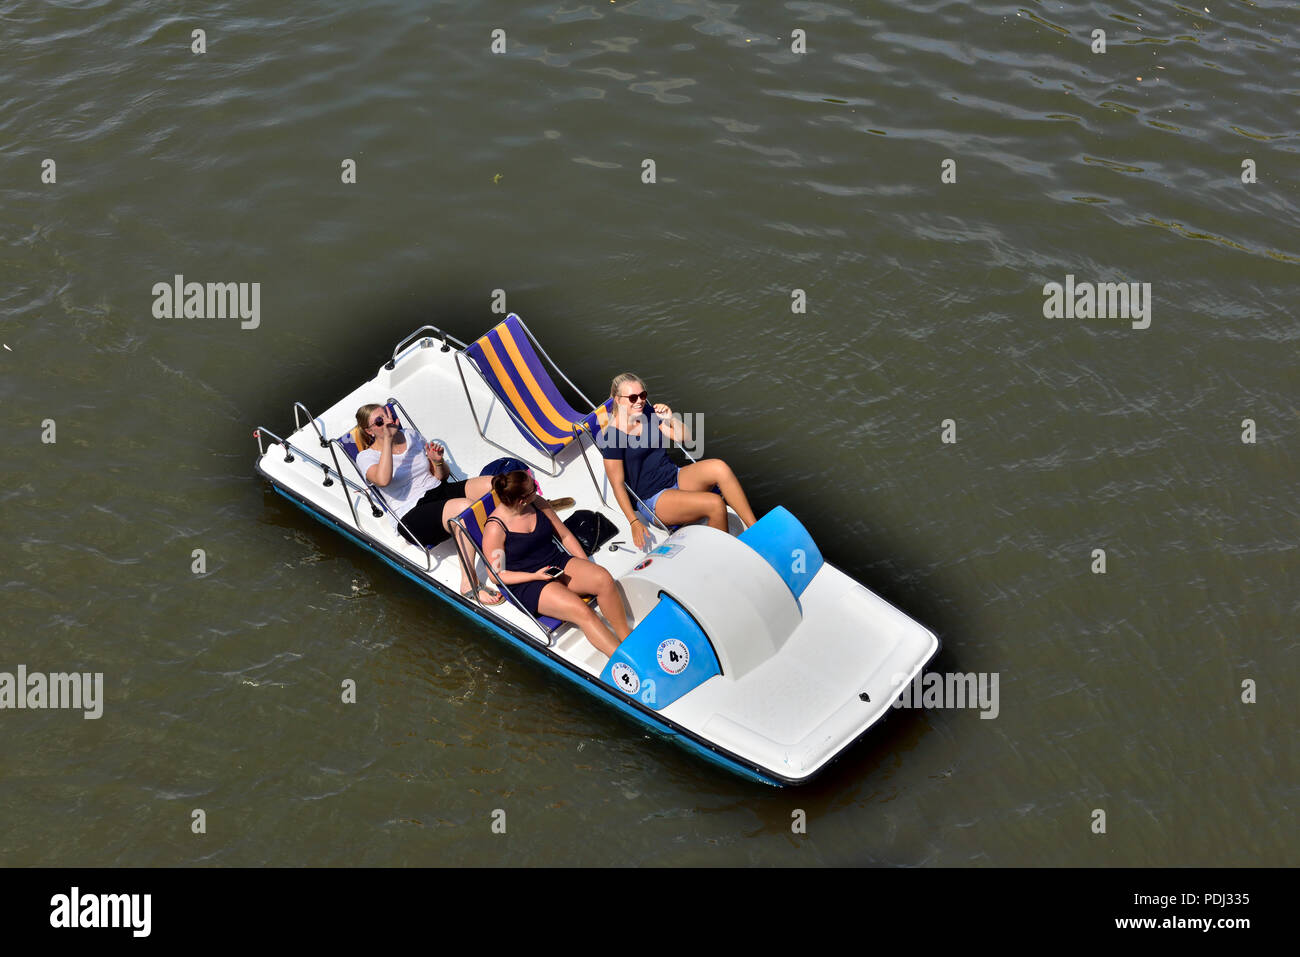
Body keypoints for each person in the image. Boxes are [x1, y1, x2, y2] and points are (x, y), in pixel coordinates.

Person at [351, 403, 503, 605]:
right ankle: (469, 583)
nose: (387, 421)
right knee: (465, 509)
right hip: (411, 514)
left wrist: (438, 461)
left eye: (388, 415)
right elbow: (383, 479)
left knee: (494, 484)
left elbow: (441, 477)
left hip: (437, 491)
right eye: (379, 421)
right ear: (370, 431)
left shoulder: (411, 436)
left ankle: (516, 532)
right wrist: (387, 440)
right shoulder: (366, 456)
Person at [596, 373, 757, 549]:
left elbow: (686, 439)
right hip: (654, 498)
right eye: (633, 397)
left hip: (675, 476)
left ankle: (756, 531)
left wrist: (670, 419)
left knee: (720, 467)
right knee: (715, 504)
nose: (640, 401)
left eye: (643, 395)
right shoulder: (613, 437)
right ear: (618, 400)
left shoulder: (648, 413)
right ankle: (721, 555)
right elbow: (617, 485)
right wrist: (633, 521)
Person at [479, 471, 631, 657]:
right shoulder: (495, 529)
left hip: (555, 563)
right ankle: (624, 660)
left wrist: (585, 566)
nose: (537, 489)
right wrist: (536, 576)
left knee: (603, 578)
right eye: (534, 488)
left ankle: (627, 638)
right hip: (527, 583)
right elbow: (497, 576)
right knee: (581, 610)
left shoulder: (538, 503)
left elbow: (565, 536)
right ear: (521, 500)